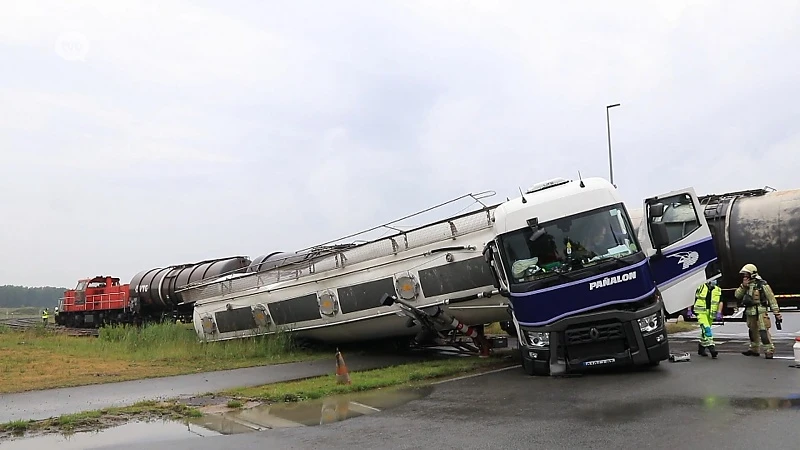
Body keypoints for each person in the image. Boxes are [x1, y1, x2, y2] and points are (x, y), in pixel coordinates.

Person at [734, 263, 782, 359]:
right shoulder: (745, 285)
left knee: (763, 331)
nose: (745, 276)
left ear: (752, 273)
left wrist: (776, 312)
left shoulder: (762, 284)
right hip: (749, 311)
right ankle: (754, 349)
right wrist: (743, 286)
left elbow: (771, 298)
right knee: (752, 331)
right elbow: (737, 295)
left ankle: (769, 350)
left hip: (760, 310)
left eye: (747, 274)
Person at [692, 279, 722, 358]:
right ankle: (712, 349)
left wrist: (719, 312)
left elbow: (720, 301)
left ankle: (701, 349)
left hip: (710, 314)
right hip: (701, 312)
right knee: (707, 330)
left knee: (704, 331)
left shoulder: (718, 289)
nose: (714, 281)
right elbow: (692, 298)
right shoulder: (701, 287)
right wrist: (689, 309)